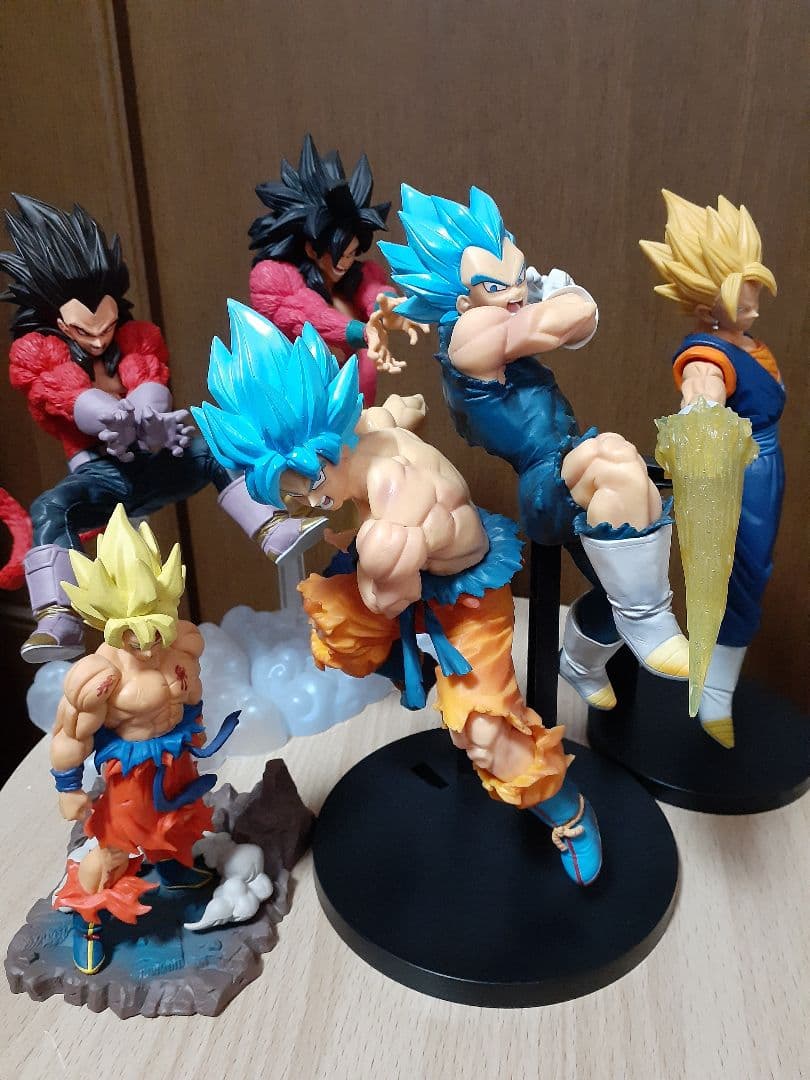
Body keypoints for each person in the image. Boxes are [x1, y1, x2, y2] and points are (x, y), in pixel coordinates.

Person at [193, 302, 603, 886]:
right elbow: (398, 412)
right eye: (286, 496)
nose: (301, 506)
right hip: (400, 582)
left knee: (487, 733)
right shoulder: (360, 434)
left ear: (325, 451)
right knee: (331, 621)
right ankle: (416, 674)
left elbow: (389, 588)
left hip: (466, 600)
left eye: (304, 489)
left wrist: (381, 561)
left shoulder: (395, 498)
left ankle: (569, 813)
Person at [378, 185, 689, 710]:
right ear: (463, 300)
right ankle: (648, 626)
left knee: (616, 561)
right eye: (494, 285)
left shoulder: (497, 316)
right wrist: (561, 296)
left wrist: (552, 298)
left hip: (566, 460)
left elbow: (574, 322)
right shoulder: (468, 336)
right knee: (611, 457)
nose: (516, 290)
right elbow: (563, 322)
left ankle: (585, 658)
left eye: (519, 275)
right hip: (544, 481)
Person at [0, 194, 317, 662]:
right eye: (84, 331)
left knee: (214, 443)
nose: (99, 339)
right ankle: (57, 618)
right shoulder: (36, 352)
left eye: (106, 325)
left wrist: (147, 414)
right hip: (99, 477)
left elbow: (149, 377)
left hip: (154, 459)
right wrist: (110, 415)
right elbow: (67, 393)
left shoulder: (136, 336)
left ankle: (272, 527)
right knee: (50, 507)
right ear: (57, 322)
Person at [49, 505, 240, 973]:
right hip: (131, 772)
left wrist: (193, 725)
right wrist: (68, 787)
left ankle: (171, 867)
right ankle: (88, 919)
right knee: (113, 849)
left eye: (157, 625)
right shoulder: (99, 676)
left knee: (179, 822)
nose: (149, 642)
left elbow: (192, 695)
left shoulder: (184, 643)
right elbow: (71, 733)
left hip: (177, 757)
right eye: (133, 633)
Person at [640, 191, 782, 747]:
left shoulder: (745, 341)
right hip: (738, 477)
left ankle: (716, 692)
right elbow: (701, 406)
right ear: (707, 311)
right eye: (743, 306)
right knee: (736, 581)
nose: (754, 313)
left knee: (751, 577)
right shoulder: (708, 358)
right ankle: (713, 696)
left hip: (762, 474)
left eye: (753, 299)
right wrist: (700, 425)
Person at [249, 134, 427, 405]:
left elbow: (373, 292)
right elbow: (307, 315)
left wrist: (389, 310)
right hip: (299, 404)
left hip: (354, 406)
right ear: (312, 249)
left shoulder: (357, 277)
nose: (345, 263)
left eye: (352, 254)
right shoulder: (273, 277)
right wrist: (360, 332)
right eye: (338, 255)